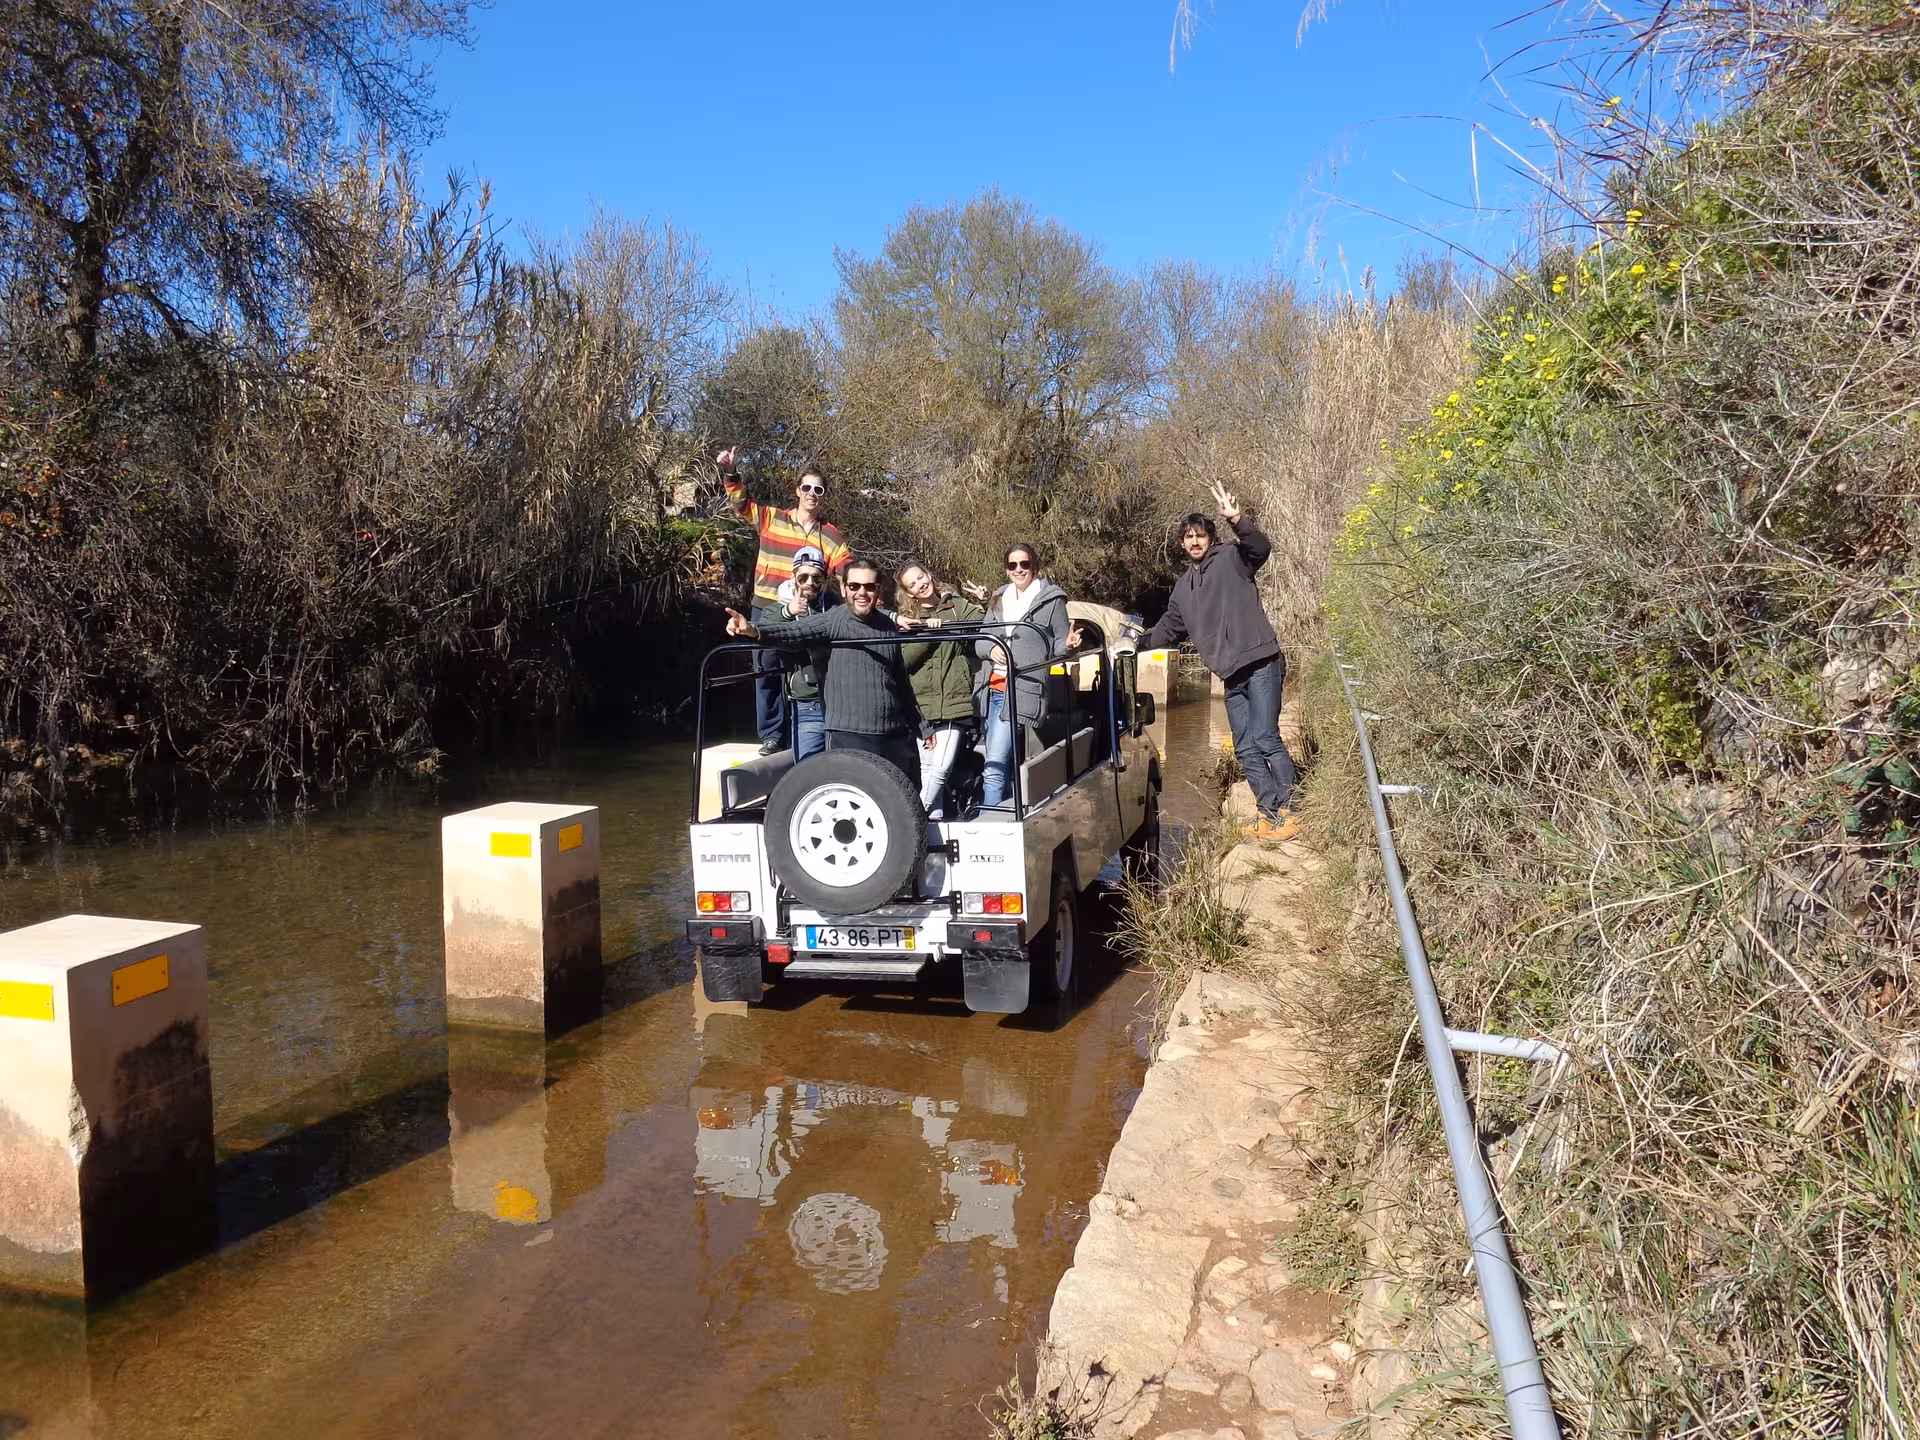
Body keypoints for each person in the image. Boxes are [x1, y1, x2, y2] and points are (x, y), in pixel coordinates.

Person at [1140, 480, 1302, 841]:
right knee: (1244, 748)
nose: (1195, 542)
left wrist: (1238, 519)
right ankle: (1267, 812)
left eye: (1200, 535)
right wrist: (1135, 641)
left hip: (1260, 662)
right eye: (1188, 537)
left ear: (1210, 538)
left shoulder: (1232, 558)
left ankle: (1290, 811)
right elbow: (1169, 628)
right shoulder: (1183, 588)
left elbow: (1260, 547)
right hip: (1231, 674)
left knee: (1265, 737)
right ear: (1182, 543)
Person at [725, 558, 923, 786]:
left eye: (869, 587)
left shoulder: (888, 626)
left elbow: (901, 682)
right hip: (849, 736)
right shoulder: (834, 620)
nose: (862, 593)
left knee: (907, 801)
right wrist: (751, 629)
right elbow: (792, 632)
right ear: (843, 588)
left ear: (878, 589)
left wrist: (922, 728)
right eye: (854, 586)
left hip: (894, 736)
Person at [718, 447, 852, 755]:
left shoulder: (829, 535)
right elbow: (741, 505)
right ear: (797, 491)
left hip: (810, 610)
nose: (812, 493)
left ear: (824, 496)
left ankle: (807, 729)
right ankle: (772, 735)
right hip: (767, 605)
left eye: (818, 489)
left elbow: (847, 569)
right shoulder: (772, 518)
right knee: (765, 670)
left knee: (806, 667)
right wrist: (731, 472)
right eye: (807, 487)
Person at [969, 542, 1070, 808]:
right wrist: (992, 650)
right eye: (1012, 565)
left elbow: (1059, 644)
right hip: (992, 688)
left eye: (1024, 564)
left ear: (1034, 566)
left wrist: (1070, 644)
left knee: (994, 763)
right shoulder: (998, 598)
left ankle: (988, 819)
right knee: (1007, 759)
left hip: (1022, 689)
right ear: (1006, 569)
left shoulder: (1052, 600)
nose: (1019, 570)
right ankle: (1012, 812)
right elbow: (980, 640)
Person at [895, 559, 984, 819]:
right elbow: (905, 660)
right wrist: (926, 634)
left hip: (953, 699)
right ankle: (933, 821)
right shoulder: (909, 618)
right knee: (928, 766)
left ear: (928, 575)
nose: (920, 585)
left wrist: (985, 598)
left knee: (942, 767)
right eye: (912, 584)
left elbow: (984, 620)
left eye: (920, 577)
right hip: (921, 703)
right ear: (908, 592)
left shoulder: (955, 606)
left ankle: (913, 818)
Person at [770, 547, 837, 760]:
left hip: (841, 701)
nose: (809, 582)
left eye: (816, 578)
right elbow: (764, 627)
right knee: (806, 771)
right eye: (803, 577)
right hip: (807, 704)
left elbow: (865, 611)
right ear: (793, 578)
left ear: (824, 580)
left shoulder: (836, 604)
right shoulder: (780, 607)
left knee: (843, 769)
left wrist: (894, 617)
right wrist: (789, 612)